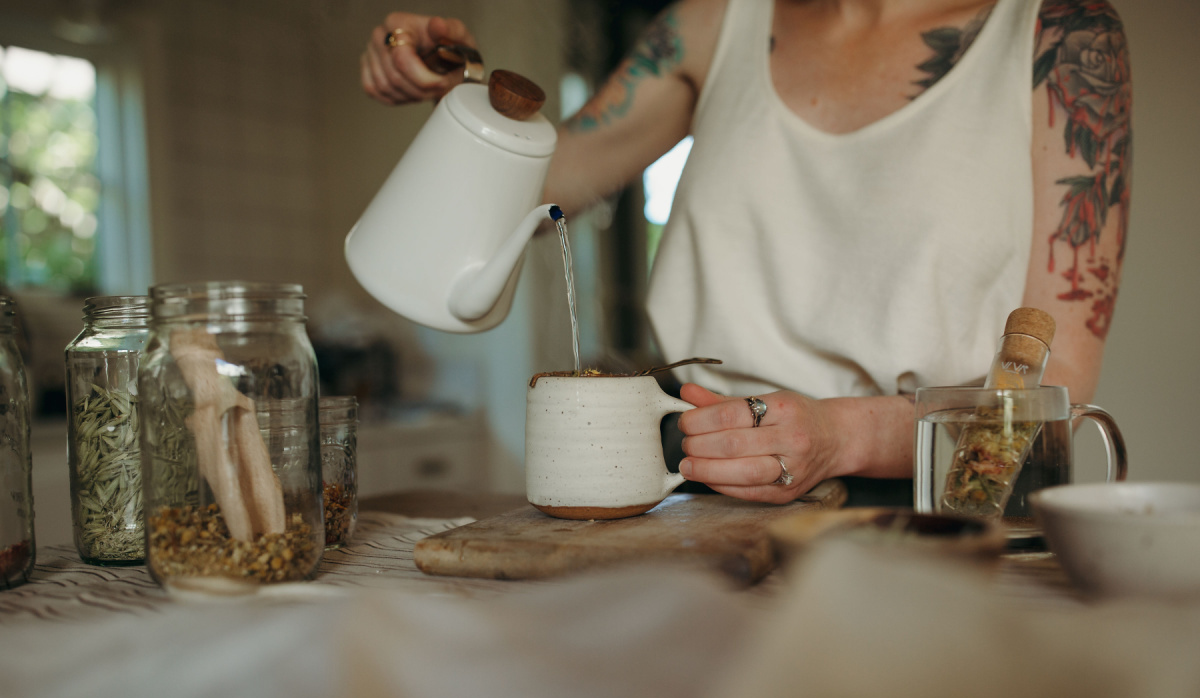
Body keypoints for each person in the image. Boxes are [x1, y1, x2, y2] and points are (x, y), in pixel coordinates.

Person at [360, 0, 1132, 504]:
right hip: (704, 502)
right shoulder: (716, 20)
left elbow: (1056, 387)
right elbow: (543, 189)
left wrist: (842, 436)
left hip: (942, 511)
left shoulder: (1060, 36)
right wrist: (465, 102)